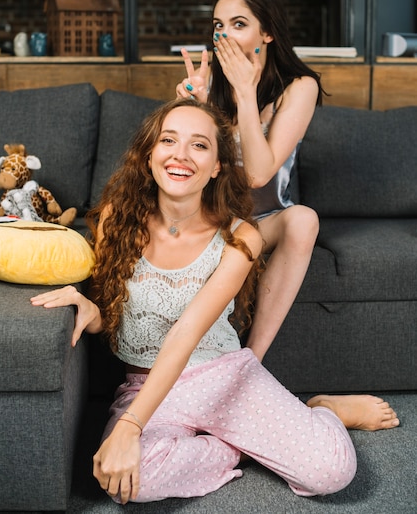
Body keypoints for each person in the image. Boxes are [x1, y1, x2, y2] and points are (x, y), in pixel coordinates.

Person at [31, 99, 364, 505]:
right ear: (150, 153)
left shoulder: (240, 238)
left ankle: (324, 410)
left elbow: (187, 333)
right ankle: (239, 444)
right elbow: (118, 312)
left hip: (224, 376)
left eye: (199, 145)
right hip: (147, 386)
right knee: (128, 481)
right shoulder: (116, 218)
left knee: (332, 471)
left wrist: (129, 427)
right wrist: (89, 310)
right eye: (168, 140)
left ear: (218, 165)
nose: (181, 155)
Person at [176, 0, 400, 433]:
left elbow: (259, 174)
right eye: (219, 26)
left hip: (264, 219)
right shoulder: (210, 81)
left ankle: (249, 365)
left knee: (303, 219)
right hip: (217, 219)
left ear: (267, 33)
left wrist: (242, 92)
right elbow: (186, 170)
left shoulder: (299, 88)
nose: (225, 36)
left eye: (239, 24)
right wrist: (199, 107)